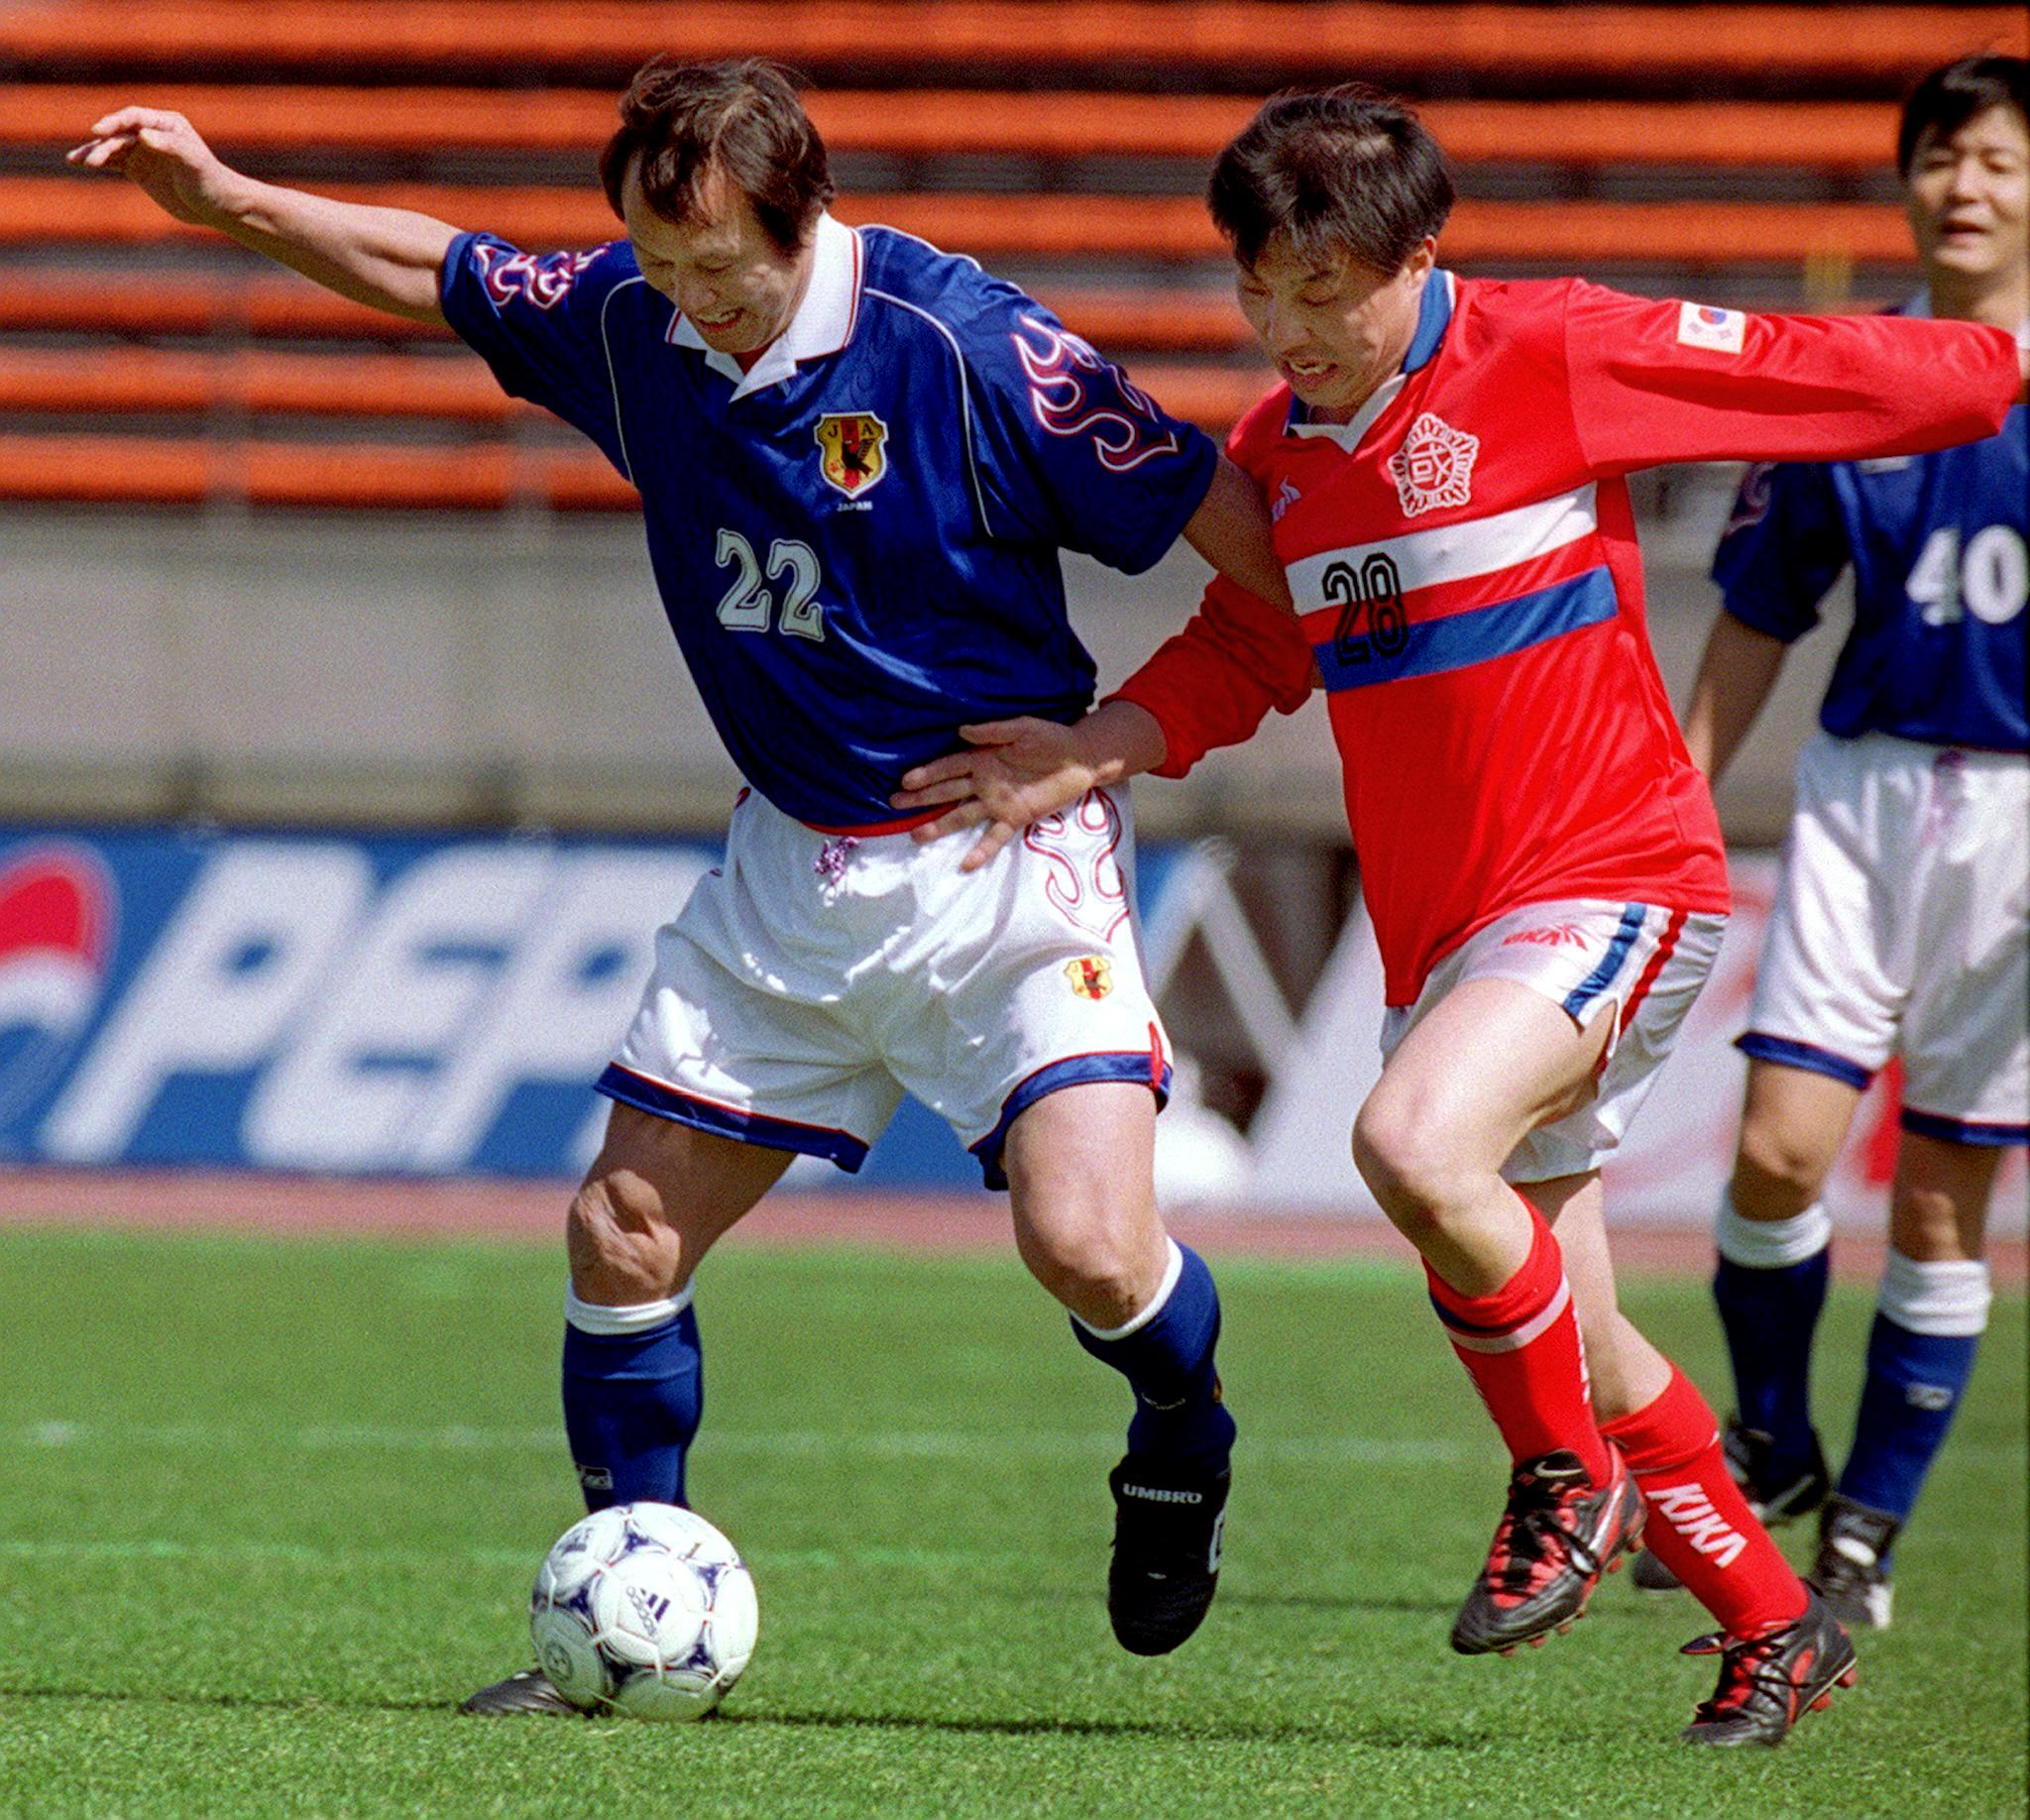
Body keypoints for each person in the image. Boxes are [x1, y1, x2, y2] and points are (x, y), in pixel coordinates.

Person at [69, 57, 1298, 1710]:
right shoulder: (635, 323)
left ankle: (1181, 1433)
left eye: (721, 272)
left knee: (1087, 1249)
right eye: (658, 270)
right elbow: (425, 269)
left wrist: (1115, 739)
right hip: (787, 864)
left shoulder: (973, 346)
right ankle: (628, 1605)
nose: (690, 307)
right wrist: (223, 198)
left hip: (1002, 861)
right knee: (621, 1233)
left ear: (808, 219)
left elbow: (1264, 554)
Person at [888, 88, 2022, 1744]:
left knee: (1415, 1145)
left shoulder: (1547, 352)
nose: (1288, 330)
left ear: (1421, 258)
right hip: (1458, 938)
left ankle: (1560, 1484)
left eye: (1325, 290)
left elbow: (1803, 370)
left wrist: (1997, 362)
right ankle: (1779, 1624)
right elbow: (1251, 651)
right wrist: (1099, 745)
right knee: (1588, 1327)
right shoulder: (1282, 457)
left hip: (1613, 878)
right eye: (1258, 292)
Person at [1644, 55, 2026, 1632]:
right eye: (1942, 156)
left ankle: (1862, 1537)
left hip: (2016, 818)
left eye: (1998, 158)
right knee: (1778, 1154)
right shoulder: (1852, 382)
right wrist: (1667, 804)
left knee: (1941, 1205)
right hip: (1864, 796)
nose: (1968, 185)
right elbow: (1756, 617)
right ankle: (1777, 1428)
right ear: (1907, 180)